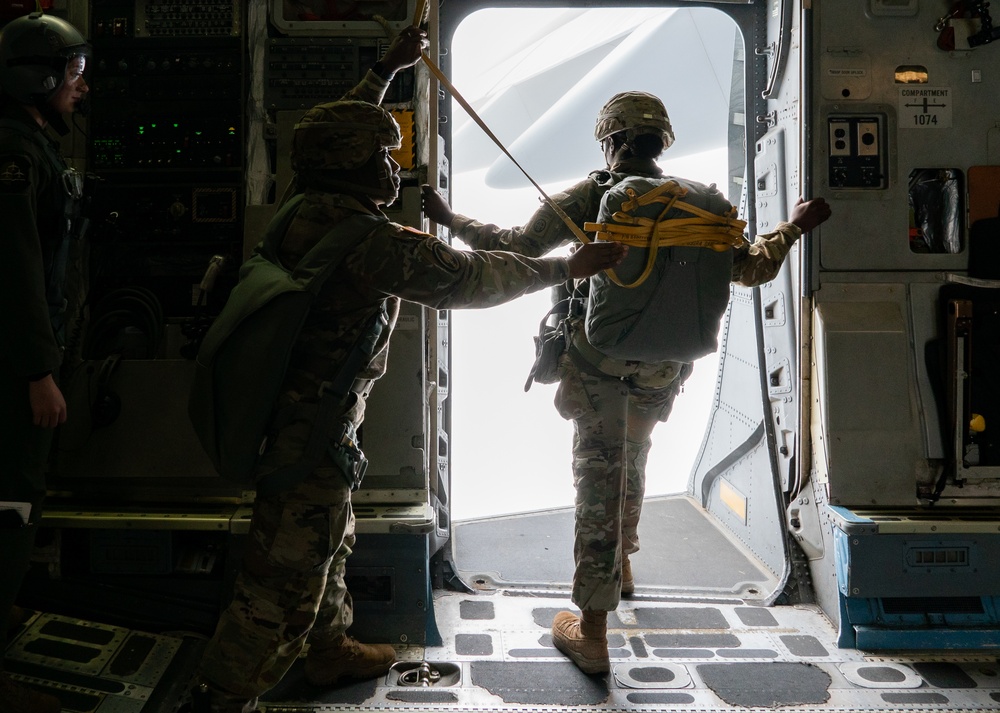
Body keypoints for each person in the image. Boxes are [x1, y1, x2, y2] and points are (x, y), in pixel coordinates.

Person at [189, 28, 626, 713]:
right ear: (359, 165)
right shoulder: (372, 243)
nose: (393, 165)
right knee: (282, 580)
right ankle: (219, 694)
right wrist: (566, 267)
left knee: (329, 538)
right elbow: (474, 278)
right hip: (309, 434)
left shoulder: (305, 201)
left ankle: (330, 651)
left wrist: (382, 72)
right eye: (384, 153)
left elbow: (332, 127)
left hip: (301, 419)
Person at [421, 90, 832, 675]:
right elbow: (753, 268)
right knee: (634, 457)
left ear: (609, 142)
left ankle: (591, 632)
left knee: (600, 475)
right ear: (663, 142)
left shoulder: (592, 197)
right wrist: (793, 226)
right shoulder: (698, 204)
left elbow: (512, 245)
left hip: (599, 366)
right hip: (665, 368)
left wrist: (448, 219)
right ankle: (623, 562)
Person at [0, 11, 91, 713]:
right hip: (12, 375)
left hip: (23, 363)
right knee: (10, 505)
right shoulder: (14, 156)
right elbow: (16, 272)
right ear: (40, 79)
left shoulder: (26, 145)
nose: (79, 88)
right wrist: (38, 371)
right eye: (73, 74)